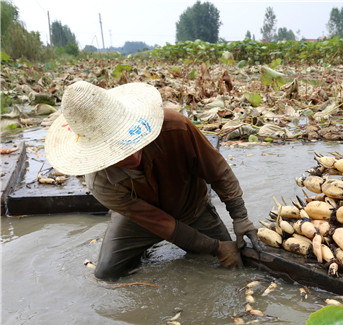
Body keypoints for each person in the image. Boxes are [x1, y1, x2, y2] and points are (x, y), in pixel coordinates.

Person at [45, 81, 263, 280]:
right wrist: (215, 247)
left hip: (191, 206)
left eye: (128, 140)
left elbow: (218, 171)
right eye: (116, 151)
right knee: (106, 274)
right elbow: (163, 224)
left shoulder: (175, 127)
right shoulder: (101, 183)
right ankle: (140, 247)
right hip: (139, 220)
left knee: (232, 262)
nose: (131, 155)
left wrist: (240, 216)